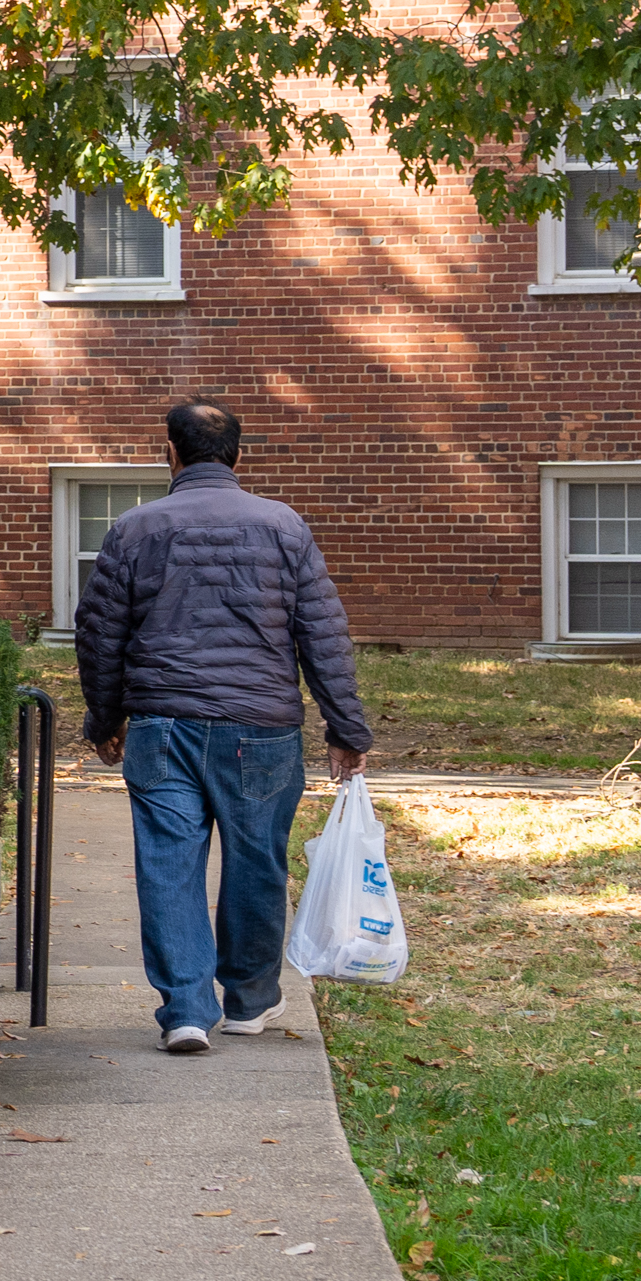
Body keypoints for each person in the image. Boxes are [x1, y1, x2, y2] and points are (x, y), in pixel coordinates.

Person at [69, 398, 372, 1054]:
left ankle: (183, 1008)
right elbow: (321, 632)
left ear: (169, 453)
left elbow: (99, 633)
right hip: (259, 728)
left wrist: (106, 719)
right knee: (257, 861)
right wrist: (346, 727)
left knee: (169, 863)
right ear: (238, 455)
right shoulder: (283, 526)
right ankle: (249, 1000)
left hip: (162, 723)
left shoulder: (134, 529)